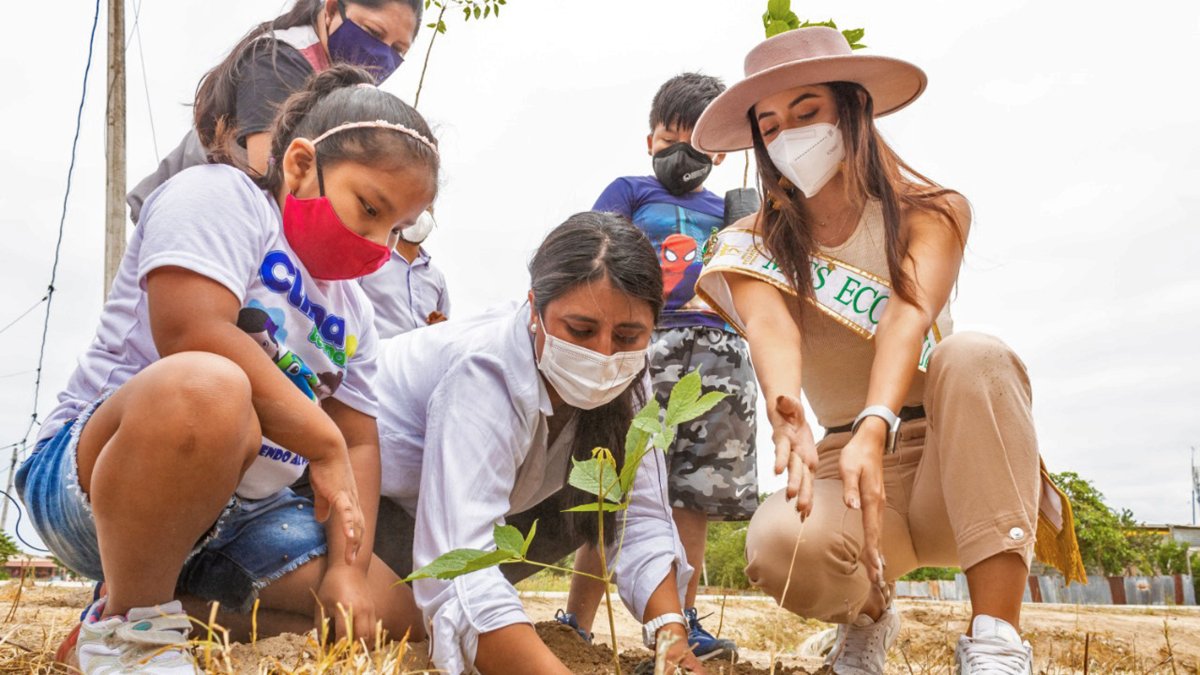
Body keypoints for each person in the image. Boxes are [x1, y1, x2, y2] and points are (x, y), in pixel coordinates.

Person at [17, 66, 441, 674]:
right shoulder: (218, 197)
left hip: (246, 516)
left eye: (395, 228)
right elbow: (193, 330)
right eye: (368, 208)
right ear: (299, 166)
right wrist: (320, 444)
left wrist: (347, 571)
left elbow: (359, 439)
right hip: (101, 479)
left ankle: (170, 607)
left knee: (392, 615)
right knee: (212, 388)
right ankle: (128, 634)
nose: (378, 242)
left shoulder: (356, 314)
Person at [689, 26, 1085, 674]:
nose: (790, 133)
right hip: (845, 471)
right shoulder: (748, 241)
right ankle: (868, 618)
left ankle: (995, 642)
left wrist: (880, 419)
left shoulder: (933, 210)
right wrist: (785, 405)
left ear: (851, 108)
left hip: (953, 465)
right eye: (771, 122)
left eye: (807, 110)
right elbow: (772, 329)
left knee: (974, 354)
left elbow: (908, 312)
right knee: (776, 542)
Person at [369, 213, 709, 674]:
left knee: (595, 500)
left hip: (452, 521)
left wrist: (670, 637)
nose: (603, 354)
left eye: (628, 336)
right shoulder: (485, 370)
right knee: (401, 620)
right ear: (535, 310)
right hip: (367, 509)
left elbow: (641, 516)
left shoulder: (630, 372)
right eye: (581, 331)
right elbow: (459, 568)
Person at [560, 73, 758, 662]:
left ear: (719, 150)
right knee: (620, 482)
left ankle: (683, 617)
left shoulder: (731, 208)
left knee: (691, 492)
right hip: (649, 344)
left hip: (720, 350)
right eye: (670, 138)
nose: (682, 153)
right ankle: (576, 619)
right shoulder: (631, 192)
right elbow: (589, 251)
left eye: (696, 143)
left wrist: (752, 225)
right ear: (651, 140)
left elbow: (754, 284)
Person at [127, 0, 424, 223]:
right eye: (373, 32)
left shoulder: (339, 90)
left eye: (398, 49)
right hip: (181, 223)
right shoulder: (277, 60)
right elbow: (273, 182)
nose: (382, 53)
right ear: (332, 9)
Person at [358, 208, 451, 338]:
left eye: (429, 208)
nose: (422, 216)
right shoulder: (371, 261)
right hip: (379, 355)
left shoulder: (437, 277)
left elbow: (443, 331)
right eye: (419, 207)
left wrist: (438, 328)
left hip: (422, 356)